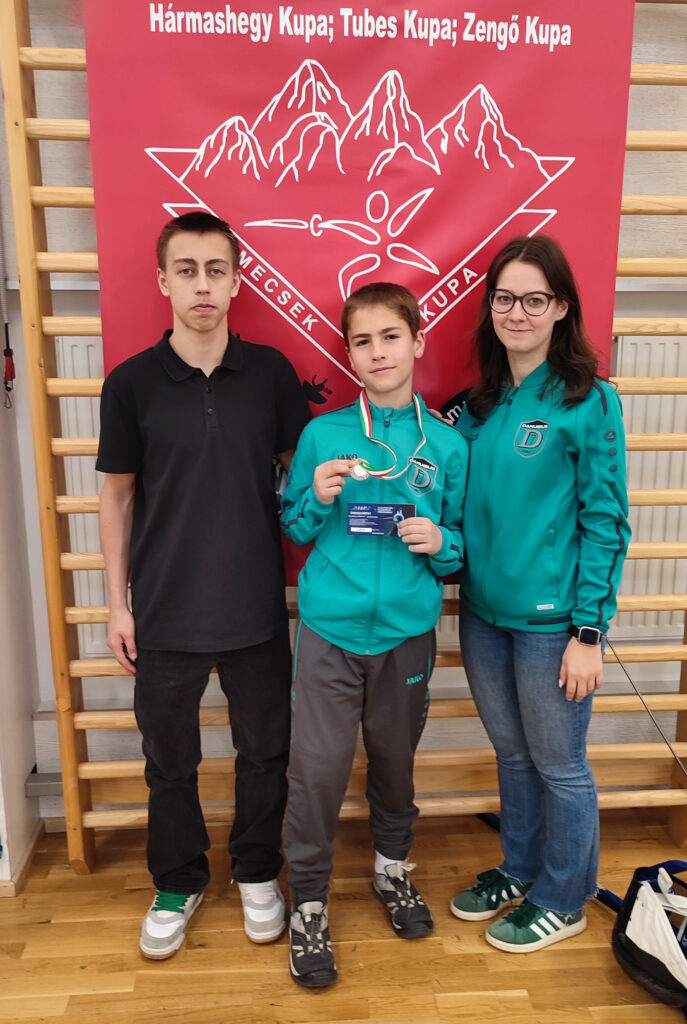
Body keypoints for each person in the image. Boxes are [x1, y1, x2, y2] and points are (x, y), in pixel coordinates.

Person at [96, 211, 311, 959]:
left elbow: (300, 485)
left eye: (216, 270)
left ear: (237, 280)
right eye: (186, 270)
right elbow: (116, 497)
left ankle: (256, 872)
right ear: (162, 281)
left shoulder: (272, 374)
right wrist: (117, 605)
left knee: (266, 754)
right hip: (164, 611)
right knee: (169, 764)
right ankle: (178, 880)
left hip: (256, 608)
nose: (202, 285)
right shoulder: (130, 384)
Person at [280, 282, 469, 988]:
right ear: (349, 353)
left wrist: (440, 541)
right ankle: (307, 900)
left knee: (394, 762)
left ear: (417, 341)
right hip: (329, 631)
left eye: (391, 336)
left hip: (406, 634)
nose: (378, 352)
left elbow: (460, 549)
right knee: (318, 770)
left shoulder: (446, 444)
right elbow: (294, 526)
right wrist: (316, 495)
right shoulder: (323, 434)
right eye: (362, 341)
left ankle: (392, 869)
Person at [449, 235, 631, 953]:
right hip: (482, 616)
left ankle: (564, 896)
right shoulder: (477, 406)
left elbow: (606, 522)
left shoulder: (589, 400)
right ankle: (520, 867)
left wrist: (588, 633)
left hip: (553, 626)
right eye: (504, 298)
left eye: (534, 299)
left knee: (559, 765)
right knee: (513, 755)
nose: (516, 312)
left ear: (560, 308)